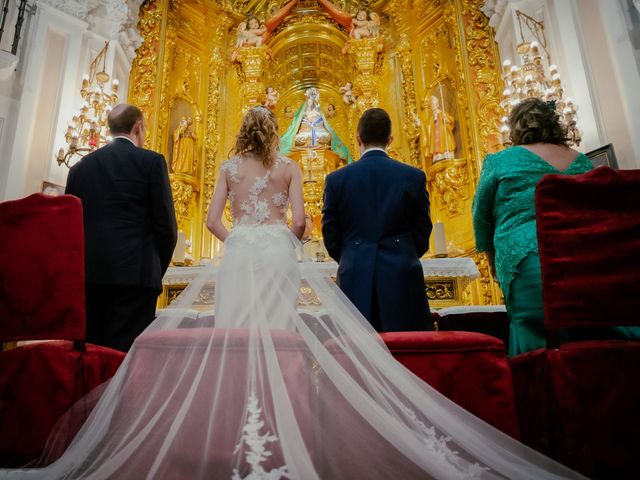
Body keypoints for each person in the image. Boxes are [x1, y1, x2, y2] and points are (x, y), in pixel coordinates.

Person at [2, 107, 585, 480]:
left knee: (234, 337)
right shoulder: (288, 169)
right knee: (281, 334)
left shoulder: (229, 167)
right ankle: (283, 420)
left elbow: (209, 223)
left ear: (240, 134)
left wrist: (240, 241)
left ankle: (234, 426)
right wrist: (276, 236)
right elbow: (304, 224)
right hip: (278, 252)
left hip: (242, 255)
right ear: (274, 134)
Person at [473, 97, 639, 356]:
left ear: (516, 128)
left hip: (526, 263)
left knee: (537, 345)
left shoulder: (500, 161)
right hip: (585, 264)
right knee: (591, 338)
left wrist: (493, 262)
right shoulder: (581, 161)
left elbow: (481, 218)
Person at [64, 104, 177, 352]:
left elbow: (69, 228)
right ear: (138, 126)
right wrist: (154, 268)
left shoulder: (79, 168)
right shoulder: (151, 161)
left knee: (90, 355)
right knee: (124, 360)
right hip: (135, 279)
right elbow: (166, 227)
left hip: (89, 279)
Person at [322, 108, 432, 332]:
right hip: (402, 274)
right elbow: (423, 229)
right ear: (390, 139)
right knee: (407, 349)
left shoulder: (336, 180)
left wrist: (352, 255)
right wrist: (404, 252)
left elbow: (330, 233)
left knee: (358, 353)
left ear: (358, 138)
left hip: (355, 273)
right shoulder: (413, 176)